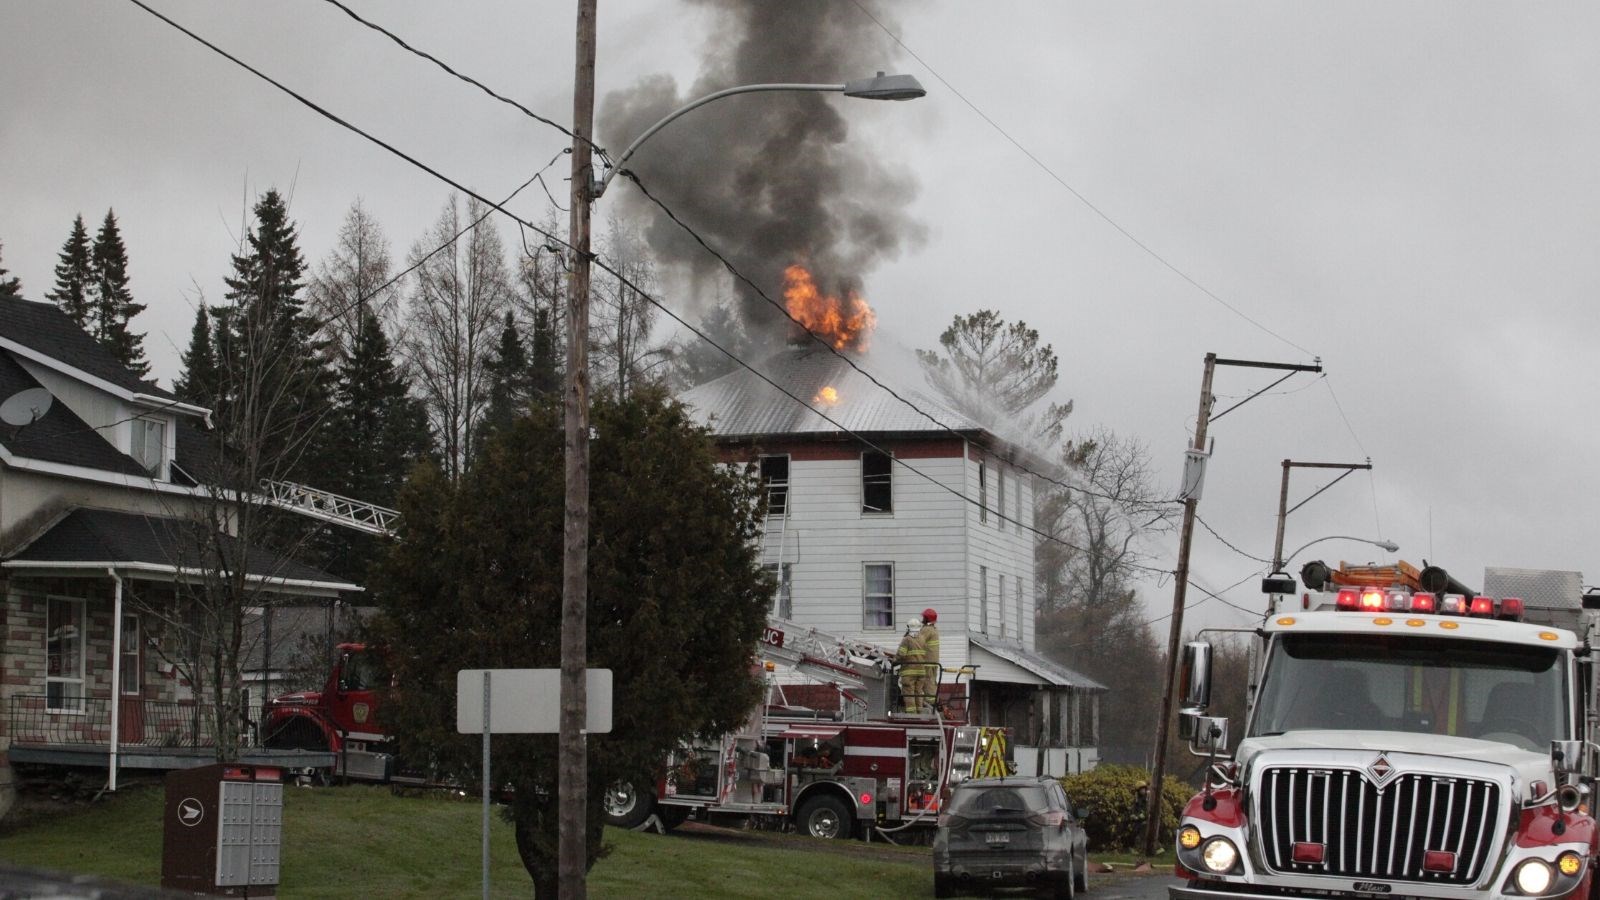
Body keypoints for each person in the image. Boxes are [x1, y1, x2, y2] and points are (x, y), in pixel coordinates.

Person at [896, 618, 927, 713]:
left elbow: (901, 654)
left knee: (909, 692)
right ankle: (919, 712)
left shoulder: (907, 639)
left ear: (908, 627)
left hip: (909, 672)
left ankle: (912, 714)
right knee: (918, 692)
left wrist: (894, 661)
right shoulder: (922, 639)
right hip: (921, 671)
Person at [918, 608, 941, 713]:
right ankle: (933, 702)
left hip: (927, 662)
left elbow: (917, 642)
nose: (922, 619)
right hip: (933, 661)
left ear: (927, 618)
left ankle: (931, 705)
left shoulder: (926, 630)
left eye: (923, 617)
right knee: (931, 681)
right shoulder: (934, 629)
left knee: (927, 682)